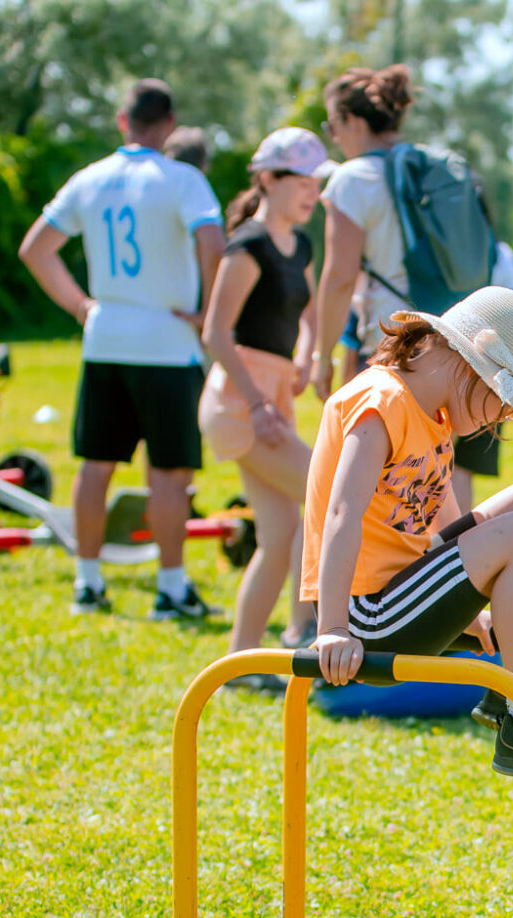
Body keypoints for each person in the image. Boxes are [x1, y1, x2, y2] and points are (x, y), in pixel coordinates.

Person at [303, 287, 513, 774]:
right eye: (505, 401)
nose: (502, 417)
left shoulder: (434, 419)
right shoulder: (379, 400)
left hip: (406, 598)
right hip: (366, 616)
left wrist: (475, 617)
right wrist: (332, 630)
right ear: (472, 363)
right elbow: (340, 514)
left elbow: (445, 533)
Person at [19, 78, 226, 618]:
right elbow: (212, 243)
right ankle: (171, 589)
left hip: (105, 337)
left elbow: (36, 249)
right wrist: (209, 309)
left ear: (122, 120)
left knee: (95, 466)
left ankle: (87, 584)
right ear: (170, 126)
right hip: (166, 340)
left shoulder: (89, 179)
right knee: (169, 474)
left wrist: (79, 305)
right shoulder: (183, 179)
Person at [199, 127, 327, 682]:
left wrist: (305, 357)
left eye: (315, 183)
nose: (310, 193)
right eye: (299, 182)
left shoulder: (301, 245)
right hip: (239, 402)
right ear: (268, 180)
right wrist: (256, 403)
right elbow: (215, 334)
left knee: (278, 539)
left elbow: (312, 311)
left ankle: (241, 662)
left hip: (274, 397)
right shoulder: (247, 244)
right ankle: (312, 630)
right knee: (327, 493)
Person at [310, 64, 415, 403]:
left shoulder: (353, 177)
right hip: (454, 338)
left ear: (352, 121)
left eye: (332, 126)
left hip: (393, 343)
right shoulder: (427, 168)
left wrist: (323, 357)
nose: (334, 137)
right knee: (437, 458)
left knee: (377, 455)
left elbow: (341, 276)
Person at [448, 234, 513, 513]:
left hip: (452, 360)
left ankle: (447, 548)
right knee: (458, 466)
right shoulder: (500, 253)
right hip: (490, 365)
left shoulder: (430, 238)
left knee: (445, 463)